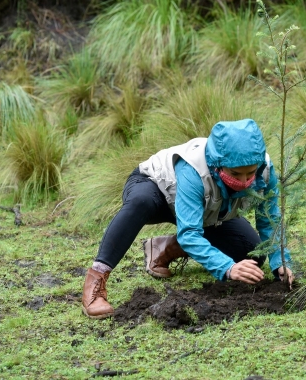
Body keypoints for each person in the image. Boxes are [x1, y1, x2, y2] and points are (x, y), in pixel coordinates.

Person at [82, 118, 294, 319]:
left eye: (250, 174)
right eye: (236, 174)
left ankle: (164, 248)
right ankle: (96, 281)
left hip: (209, 211)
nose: (244, 181)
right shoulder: (194, 169)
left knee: (251, 254)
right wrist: (226, 268)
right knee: (141, 202)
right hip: (159, 193)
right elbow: (191, 233)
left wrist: (280, 263)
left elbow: (270, 219)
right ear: (219, 164)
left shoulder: (264, 169)